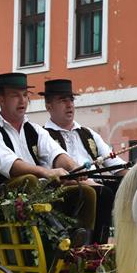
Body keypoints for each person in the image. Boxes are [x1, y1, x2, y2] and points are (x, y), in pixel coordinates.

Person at [0, 72, 97, 235]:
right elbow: (11, 165)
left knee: (88, 191)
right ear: (1, 98)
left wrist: (75, 169)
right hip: (0, 201)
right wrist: (48, 173)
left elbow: (56, 154)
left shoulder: (35, 130)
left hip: (38, 193)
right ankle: (57, 235)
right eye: (15, 96)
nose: (22, 100)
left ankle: (87, 243)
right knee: (28, 181)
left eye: (25, 95)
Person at [40, 79, 127, 243]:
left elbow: (115, 164)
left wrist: (136, 175)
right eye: (63, 100)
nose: (69, 105)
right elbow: (50, 178)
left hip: (95, 187)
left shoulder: (89, 134)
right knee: (104, 193)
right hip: (64, 193)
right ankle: (97, 246)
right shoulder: (43, 136)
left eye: (71, 99)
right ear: (48, 106)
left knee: (124, 184)